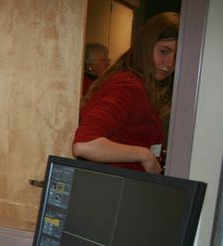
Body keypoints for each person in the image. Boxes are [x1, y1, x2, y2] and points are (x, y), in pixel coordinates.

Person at [73, 12, 179, 174]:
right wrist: (144, 155)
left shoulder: (141, 85)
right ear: (146, 46)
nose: (170, 63)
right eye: (164, 51)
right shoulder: (128, 87)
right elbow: (85, 144)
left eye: (177, 56)